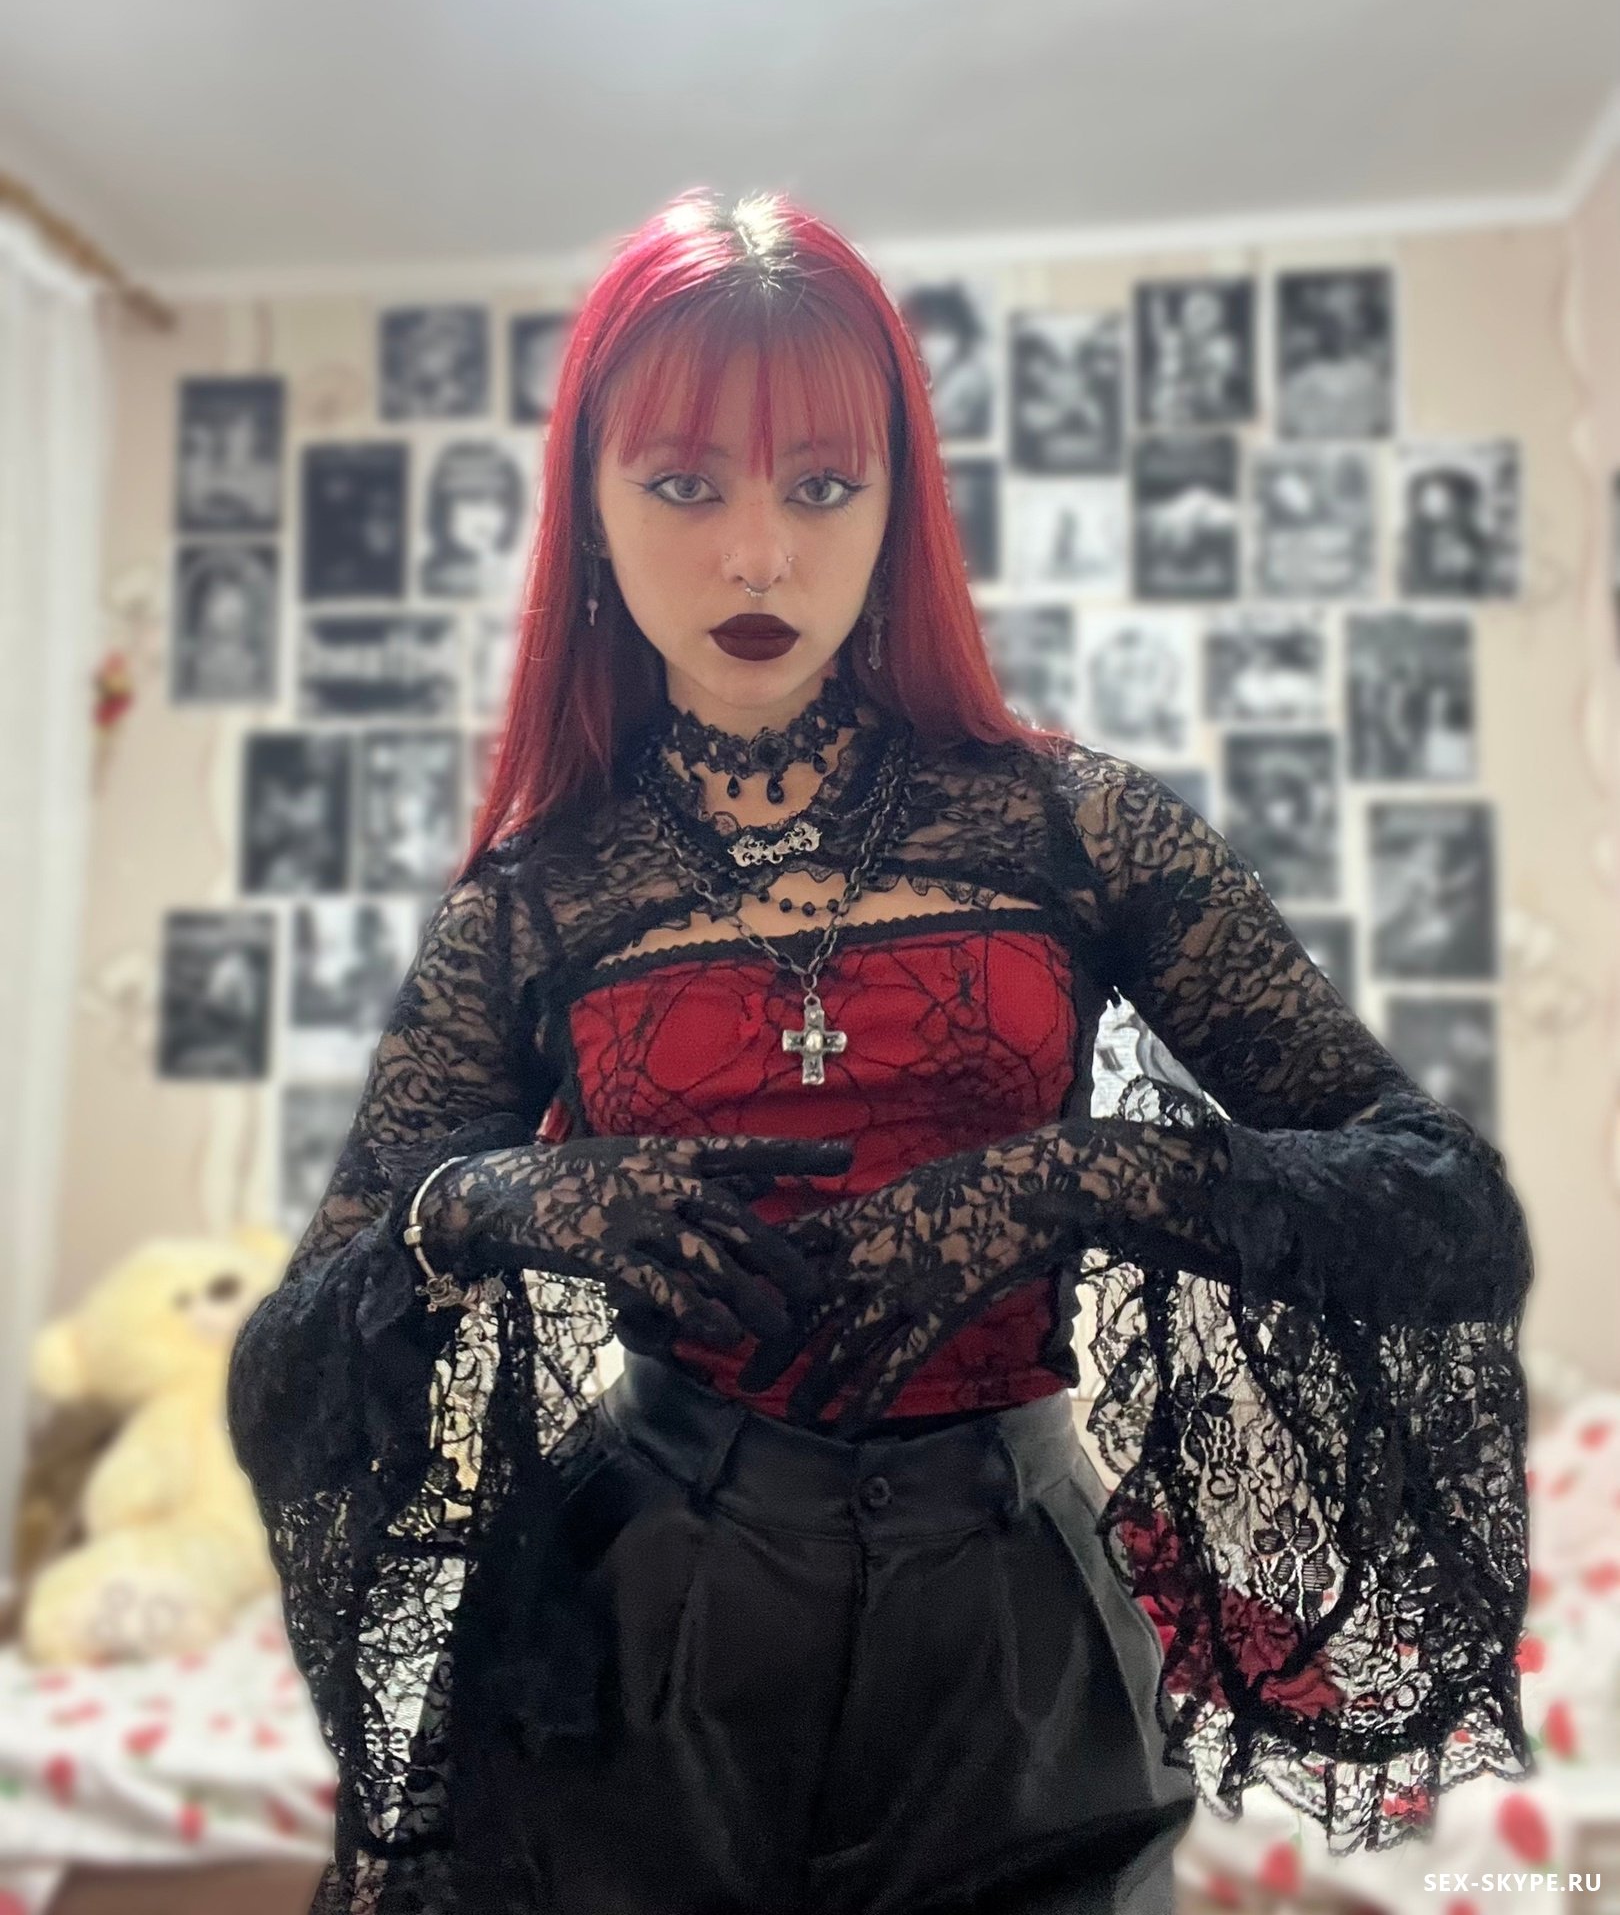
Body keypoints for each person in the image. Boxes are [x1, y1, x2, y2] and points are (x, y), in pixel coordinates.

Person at [227, 189, 1536, 1915]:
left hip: (1016, 1636)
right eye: (684, 486)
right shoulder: (534, 907)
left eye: (824, 486)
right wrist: (486, 1205)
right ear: (593, 508)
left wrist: (1087, 1178)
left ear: (897, 503)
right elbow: (292, 1367)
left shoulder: (1073, 829)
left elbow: (1449, 1210)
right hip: (635, 1636)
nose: (758, 556)